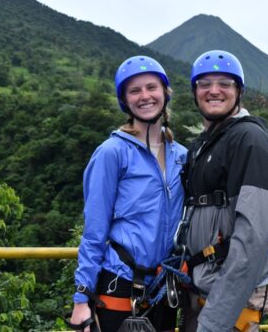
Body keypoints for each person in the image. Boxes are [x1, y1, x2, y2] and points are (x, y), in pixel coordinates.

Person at [69, 55, 187, 332]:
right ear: (125, 100)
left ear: (165, 93)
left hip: (164, 287)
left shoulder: (181, 155)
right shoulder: (112, 153)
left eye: (151, 88)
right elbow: (94, 230)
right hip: (119, 284)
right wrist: (81, 298)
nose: (145, 96)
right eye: (135, 90)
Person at [178, 50, 268, 332]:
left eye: (225, 83)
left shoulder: (250, 139)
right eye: (205, 83)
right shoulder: (203, 145)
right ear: (195, 91)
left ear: (239, 91)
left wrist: (215, 321)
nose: (214, 91)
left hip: (230, 299)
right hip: (202, 288)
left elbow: (253, 236)